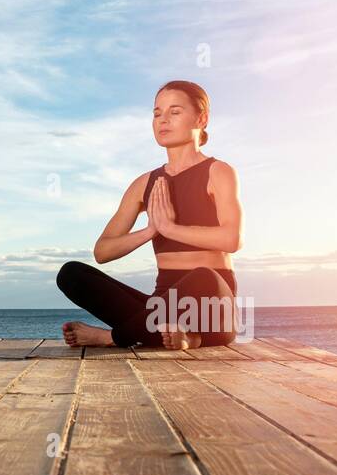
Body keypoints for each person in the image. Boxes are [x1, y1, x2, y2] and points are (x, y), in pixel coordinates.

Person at [57, 80, 243, 350]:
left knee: (204, 276)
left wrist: (169, 228)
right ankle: (182, 338)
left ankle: (112, 337)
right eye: (157, 113)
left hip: (211, 305)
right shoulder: (144, 183)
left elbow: (232, 239)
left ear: (201, 118)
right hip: (160, 309)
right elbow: (103, 252)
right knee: (70, 274)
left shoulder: (218, 171)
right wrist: (149, 231)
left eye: (174, 112)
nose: (163, 120)